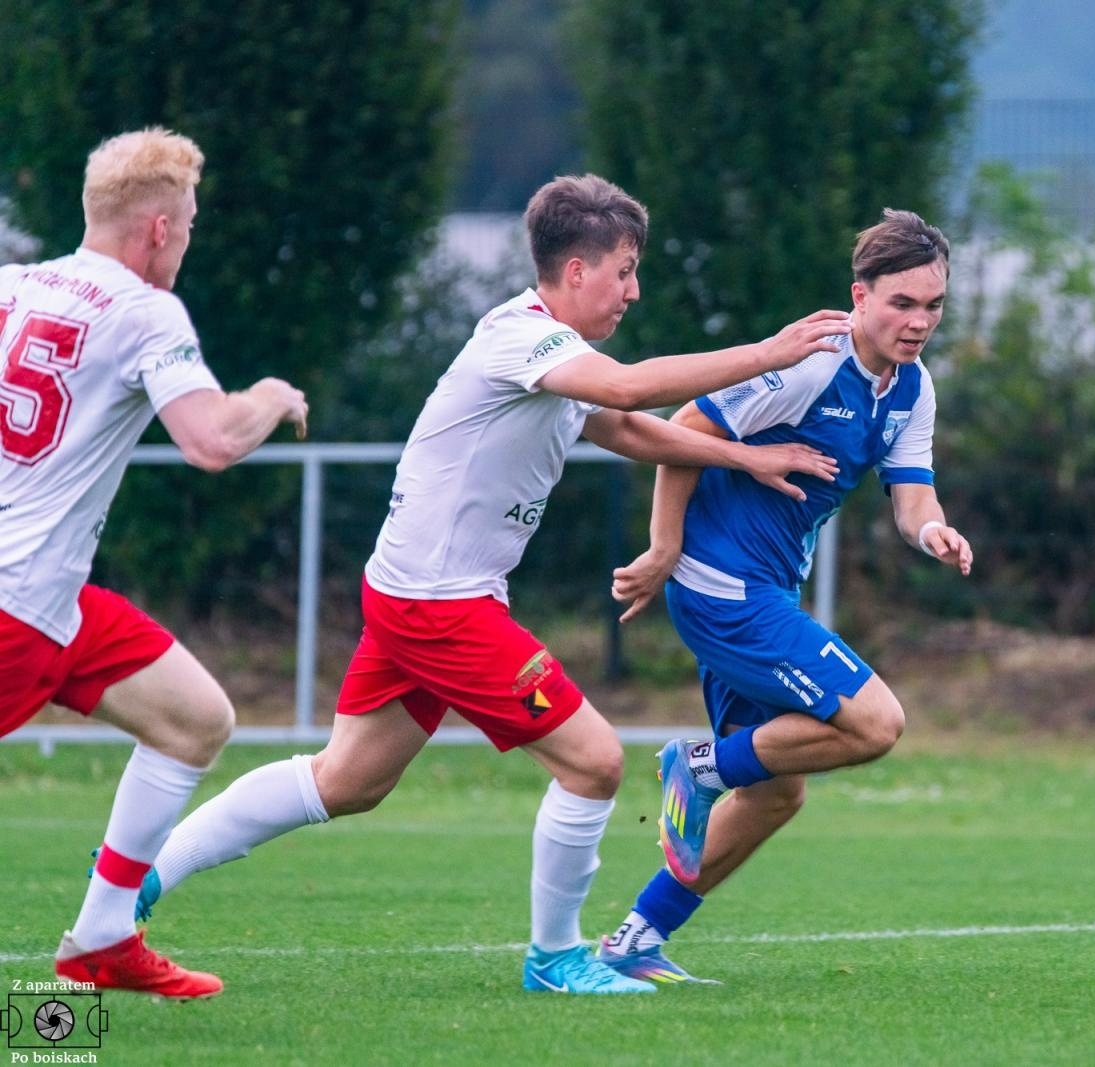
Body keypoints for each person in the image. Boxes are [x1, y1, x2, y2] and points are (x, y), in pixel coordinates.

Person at [135, 174, 848, 995]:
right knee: (593, 761)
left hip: (419, 591)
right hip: (440, 602)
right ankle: (555, 958)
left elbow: (618, 423)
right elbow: (625, 389)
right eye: (623, 270)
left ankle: (146, 872)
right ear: (574, 271)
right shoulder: (522, 337)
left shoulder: (552, 353)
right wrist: (767, 353)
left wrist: (745, 456)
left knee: (348, 778)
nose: (634, 289)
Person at [597, 209, 973, 985]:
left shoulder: (911, 389)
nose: (919, 322)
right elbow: (684, 427)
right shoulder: (813, 362)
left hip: (759, 590)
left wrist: (934, 531)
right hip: (722, 587)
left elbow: (912, 498)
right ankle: (698, 766)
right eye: (902, 303)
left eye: (933, 306)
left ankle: (634, 941)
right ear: (859, 296)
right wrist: (665, 548)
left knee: (774, 793)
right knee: (876, 722)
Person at [0, 127, 310, 999]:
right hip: (16, 605)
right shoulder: (145, 310)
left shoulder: (13, 286)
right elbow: (212, 440)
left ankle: (101, 934)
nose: (189, 240)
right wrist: (269, 397)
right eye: (193, 225)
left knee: (195, 718)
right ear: (161, 231)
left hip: (53, 598)